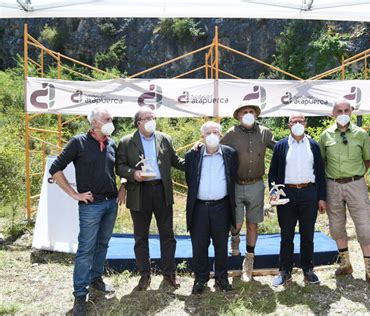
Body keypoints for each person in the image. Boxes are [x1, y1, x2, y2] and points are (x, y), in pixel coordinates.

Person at [49, 106, 125, 316]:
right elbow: (55, 169)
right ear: (94, 123)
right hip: (91, 206)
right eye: (107, 118)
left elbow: (121, 168)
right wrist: (75, 194)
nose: (112, 122)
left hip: (111, 205)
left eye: (112, 118)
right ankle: (80, 296)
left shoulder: (112, 143)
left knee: (103, 244)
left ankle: (96, 279)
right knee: (85, 250)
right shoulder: (78, 142)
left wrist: (123, 186)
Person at [319, 99, 370, 291]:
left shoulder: (361, 134)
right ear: (333, 113)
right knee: (336, 227)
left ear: (351, 112)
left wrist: (354, 177)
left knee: (364, 227)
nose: (342, 113)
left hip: (356, 184)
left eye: (346, 110)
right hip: (332, 186)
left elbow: (367, 160)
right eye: (339, 110)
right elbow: (322, 162)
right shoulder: (325, 136)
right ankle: (345, 264)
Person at [116, 107, 185, 291]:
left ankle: (169, 274)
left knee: (168, 235)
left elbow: (176, 161)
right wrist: (133, 173)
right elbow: (120, 166)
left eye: (153, 117)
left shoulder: (164, 138)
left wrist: (196, 159)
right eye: (148, 117)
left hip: (162, 191)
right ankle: (144, 275)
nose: (152, 120)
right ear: (138, 122)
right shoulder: (126, 141)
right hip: (139, 192)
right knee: (140, 236)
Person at [268, 113, 327, 286]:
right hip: (287, 194)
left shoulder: (314, 145)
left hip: (310, 193)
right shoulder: (280, 146)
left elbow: (320, 174)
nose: (297, 124)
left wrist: (322, 198)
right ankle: (285, 271)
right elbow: (272, 172)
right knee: (286, 235)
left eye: (301, 121)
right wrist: (273, 192)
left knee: (307, 234)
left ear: (306, 124)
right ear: (288, 125)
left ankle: (308, 270)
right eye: (294, 121)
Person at [221, 102, 275, 282]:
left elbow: (279, 148)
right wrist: (200, 145)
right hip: (236, 184)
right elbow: (217, 149)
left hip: (257, 185)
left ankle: (249, 260)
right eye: (245, 112)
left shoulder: (265, 132)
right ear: (238, 116)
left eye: (251, 111)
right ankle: (234, 239)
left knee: (253, 224)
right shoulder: (231, 133)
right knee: (236, 222)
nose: (248, 114)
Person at [185, 121, 238, 294]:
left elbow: (232, 178)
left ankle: (221, 277)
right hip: (199, 207)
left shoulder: (230, 154)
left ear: (221, 135)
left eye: (216, 131)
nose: (212, 135)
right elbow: (190, 180)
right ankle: (200, 278)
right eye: (208, 132)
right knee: (199, 245)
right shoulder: (192, 155)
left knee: (221, 244)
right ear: (202, 136)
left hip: (221, 206)